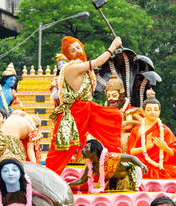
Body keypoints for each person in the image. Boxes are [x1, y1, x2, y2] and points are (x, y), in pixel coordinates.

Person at [45, 36, 123, 175]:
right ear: (69, 55)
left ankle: (111, 164)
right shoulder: (73, 68)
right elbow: (99, 61)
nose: (77, 50)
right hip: (75, 112)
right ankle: (48, 177)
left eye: (77, 46)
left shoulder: (84, 69)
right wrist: (113, 46)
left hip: (88, 108)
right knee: (63, 150)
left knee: (114, 117)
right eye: (72, 50)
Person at [126, 90, 176, 179]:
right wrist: (146, 147)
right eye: (149, 109)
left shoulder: (165, 130)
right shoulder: (137, 130)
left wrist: (165, 148)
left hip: (161, 165)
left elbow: (174, 152)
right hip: (141, 165)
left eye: (155, 109)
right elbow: (131, 152)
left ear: (159, 112)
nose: (152, 112)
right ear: (143, 112)